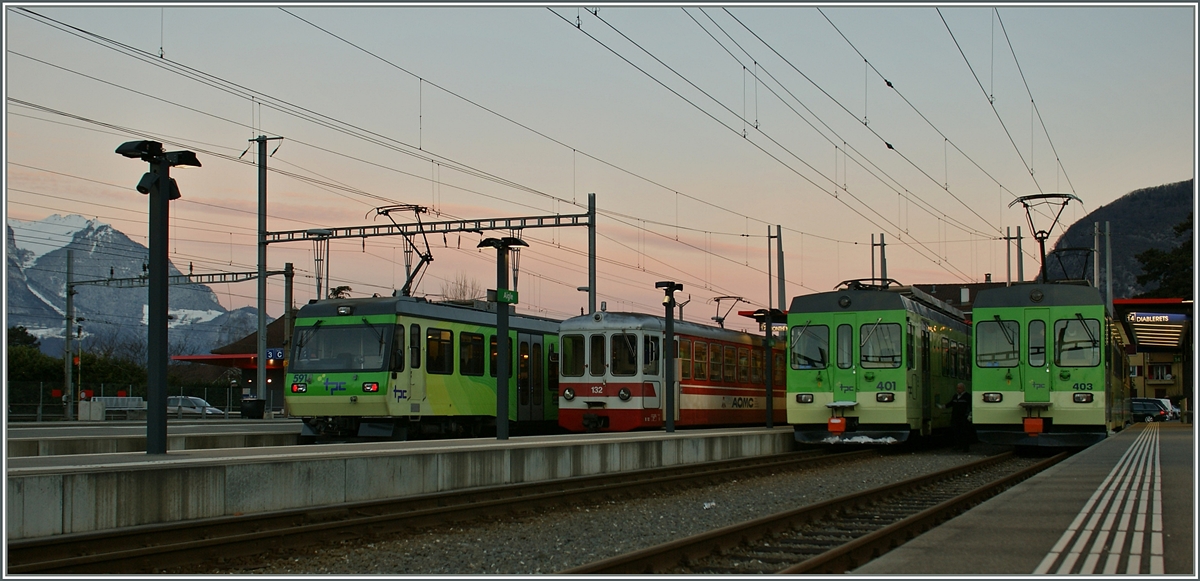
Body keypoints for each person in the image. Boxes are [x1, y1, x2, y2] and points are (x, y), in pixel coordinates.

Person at [946, 382, 972, 452]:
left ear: (963, 388)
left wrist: (970, 415)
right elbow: (951, 403)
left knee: (964, 432)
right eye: (957, 388)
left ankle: (965, 447)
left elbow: (970, 406)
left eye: (960, 388)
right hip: (955, 417)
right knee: (956, 432)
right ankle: (958, 445)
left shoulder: (967, 396)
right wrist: (943, 406)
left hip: (964, 417)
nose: (958, 389)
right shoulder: (955, 396)